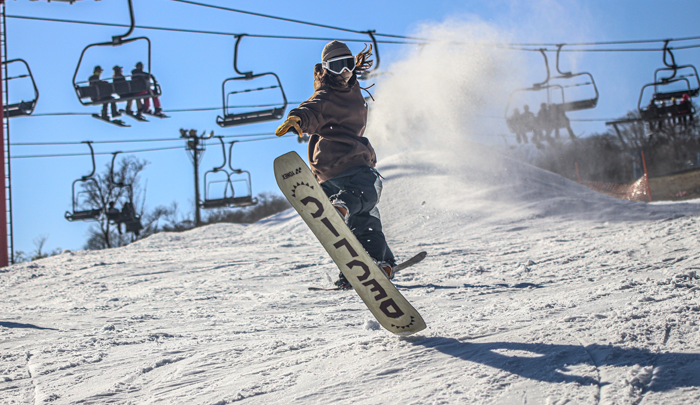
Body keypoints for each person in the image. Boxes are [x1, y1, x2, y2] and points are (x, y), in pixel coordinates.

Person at [274, 40, 395, 289]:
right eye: (337, 66)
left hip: (327, 175)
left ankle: (375, 264)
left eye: (348, 65)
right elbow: (313, 108)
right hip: (349, 165)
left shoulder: (354, 92)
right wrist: (298, 118)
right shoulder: (326, 94)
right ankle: (342, 205)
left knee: (364, 221)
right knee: (370, 188)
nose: (344, 72)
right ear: (326, 69)